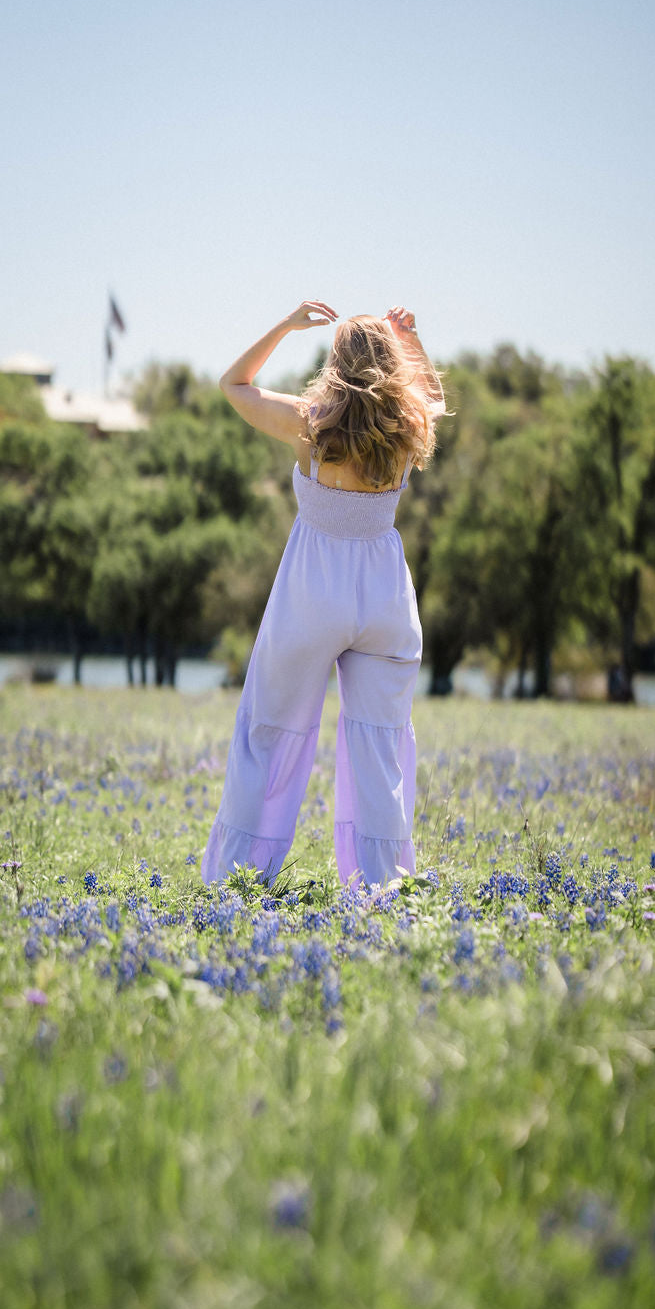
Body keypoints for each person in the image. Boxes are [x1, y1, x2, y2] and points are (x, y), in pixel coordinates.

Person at [201, 301, 447, 891]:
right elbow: (432, 395)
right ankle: (383, 885)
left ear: (335, 362)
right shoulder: (409, 426)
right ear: (392, 365)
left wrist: (285, 327)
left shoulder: (312, 422)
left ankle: (240, 878)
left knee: (272, 727)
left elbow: (233, 384)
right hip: (385, 599)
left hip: (313, 592)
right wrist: (412, 341)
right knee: (379, 744)